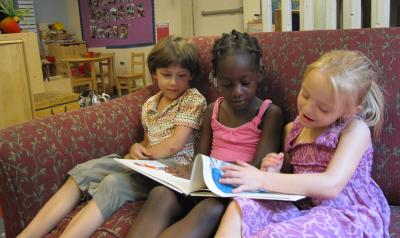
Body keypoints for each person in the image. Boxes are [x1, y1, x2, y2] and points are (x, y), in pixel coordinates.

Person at [18, 36, 207, 238]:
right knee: (83, 171)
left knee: (113, 183)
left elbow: (174, 144)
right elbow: (148, 140)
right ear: (154, 74)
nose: (173, 82)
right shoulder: (150, 104)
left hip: (171, 170)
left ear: (191, 76)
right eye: (166, 74)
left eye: (181, 75)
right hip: (146, 163)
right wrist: (137, 147)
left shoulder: (192, 99)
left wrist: (146, 155)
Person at [215, 50, 391, 238]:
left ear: (348, 111)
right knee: (242, 206)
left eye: (323, 108)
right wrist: (274, 170)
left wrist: (262, 178)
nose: (308, 109)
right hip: (304, 208)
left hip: (347, 215)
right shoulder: (293, 130)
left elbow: (331, 185)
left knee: (273, 234)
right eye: (305, 95)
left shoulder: (354, 130)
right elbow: (292, 177)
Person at [127, 30, 283, 238]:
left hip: (235, 193)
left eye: (245, 83)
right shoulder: (213, 109)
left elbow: (258, 169)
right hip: (204, 187)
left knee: (210, 207)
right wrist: (188, 169)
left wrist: (220, 176)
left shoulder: (270, 113)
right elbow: (200, 158)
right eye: (227, 84)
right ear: (215, 79)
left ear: (259, 74)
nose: (237, 91)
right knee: (160, 193)